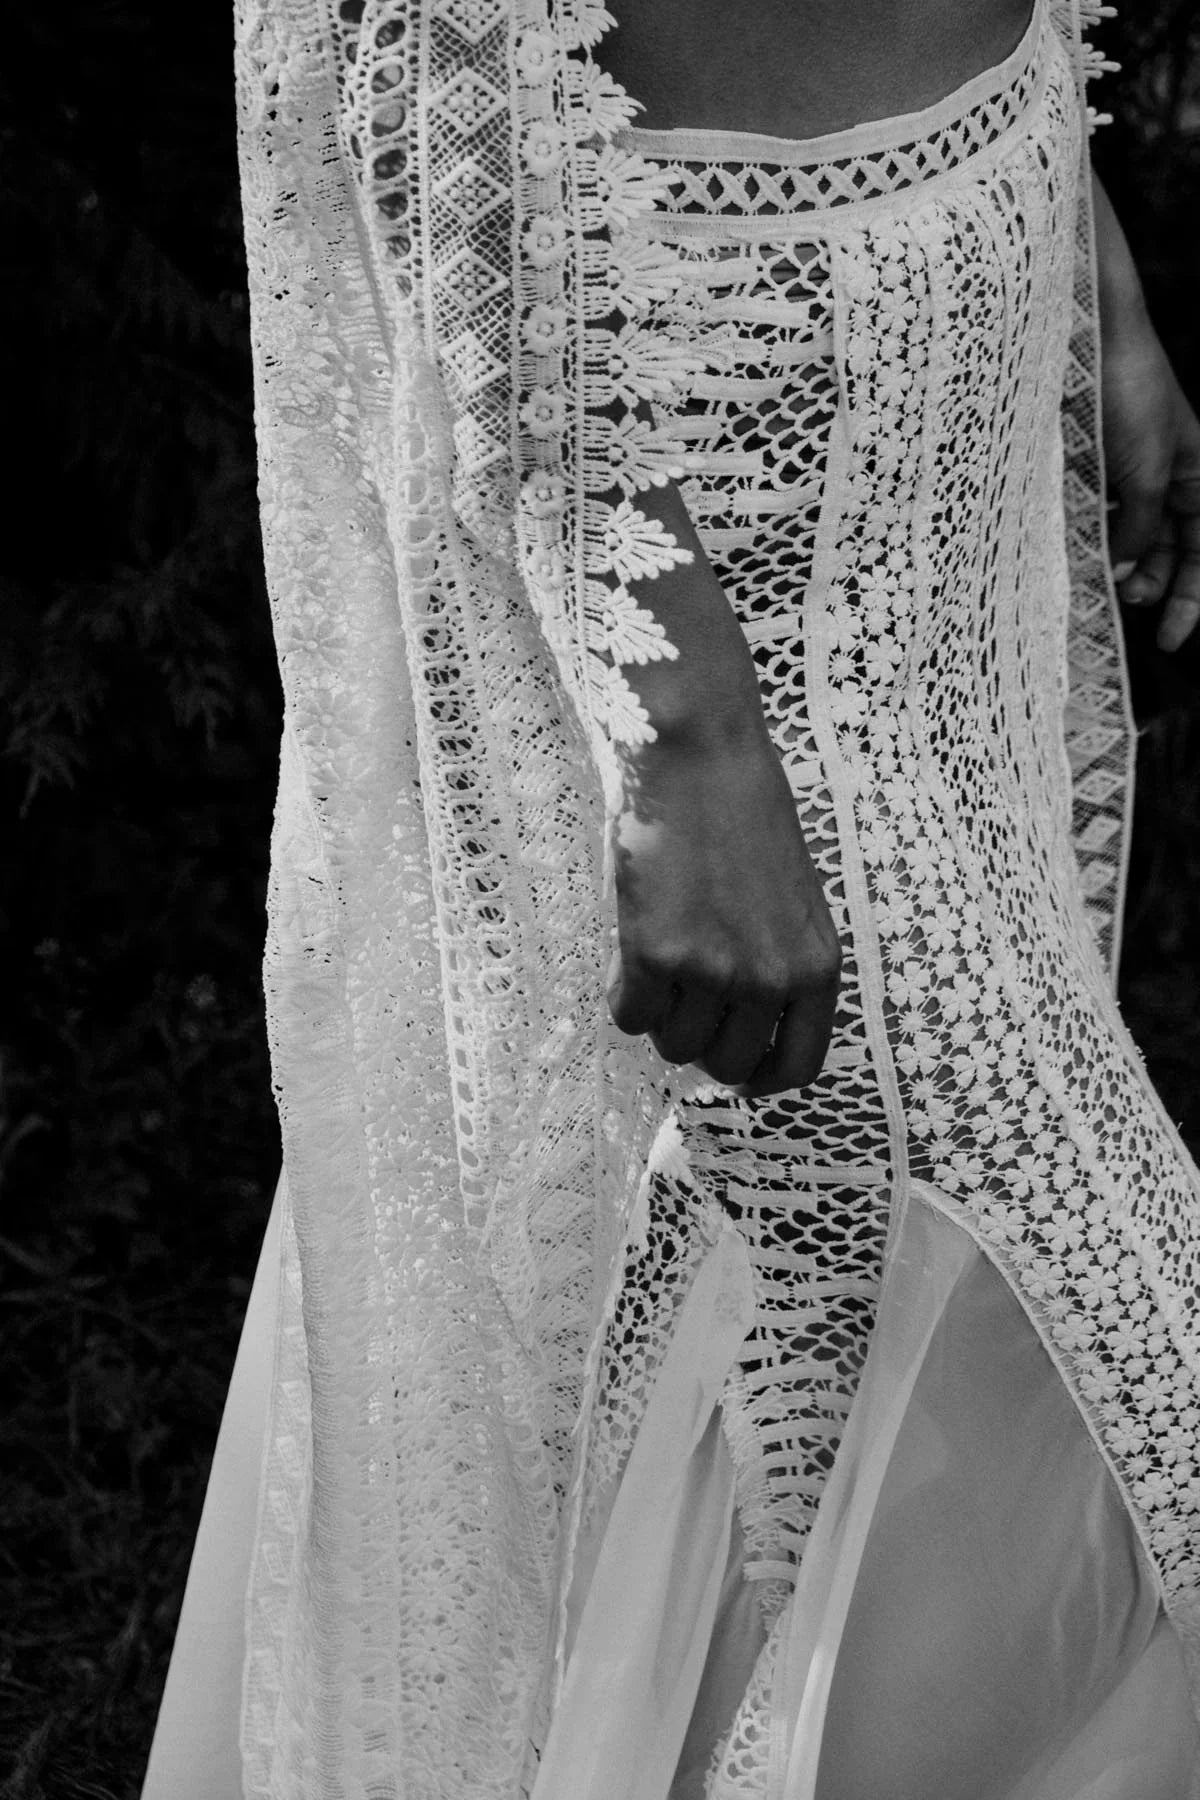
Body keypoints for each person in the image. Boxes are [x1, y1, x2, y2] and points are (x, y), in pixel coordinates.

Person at [143, 1, 1200, 1795]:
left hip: (951, 282)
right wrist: (677, 708)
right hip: (686, 392)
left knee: (766, 1304)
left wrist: (1067, 222)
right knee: (1025, 1326)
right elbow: (416, 26)